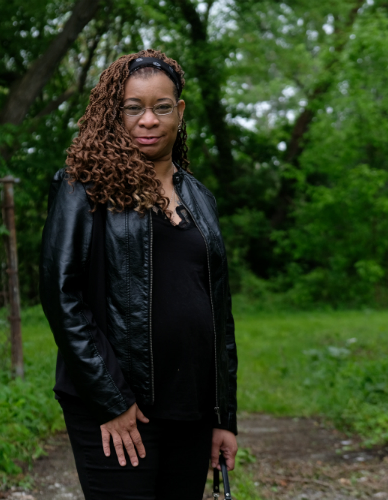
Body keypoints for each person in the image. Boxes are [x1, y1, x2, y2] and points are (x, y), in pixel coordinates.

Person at [40, 48, 238, 500]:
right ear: (116, 112)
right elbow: (60, 295)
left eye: (161, 107)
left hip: (190, 410)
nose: (148, 120)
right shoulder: (83, 184)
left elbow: (220, 315)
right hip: (116, 410)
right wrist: (111, 401)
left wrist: (224, 417)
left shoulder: (200, 198)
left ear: (179, 111)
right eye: (134, 108)